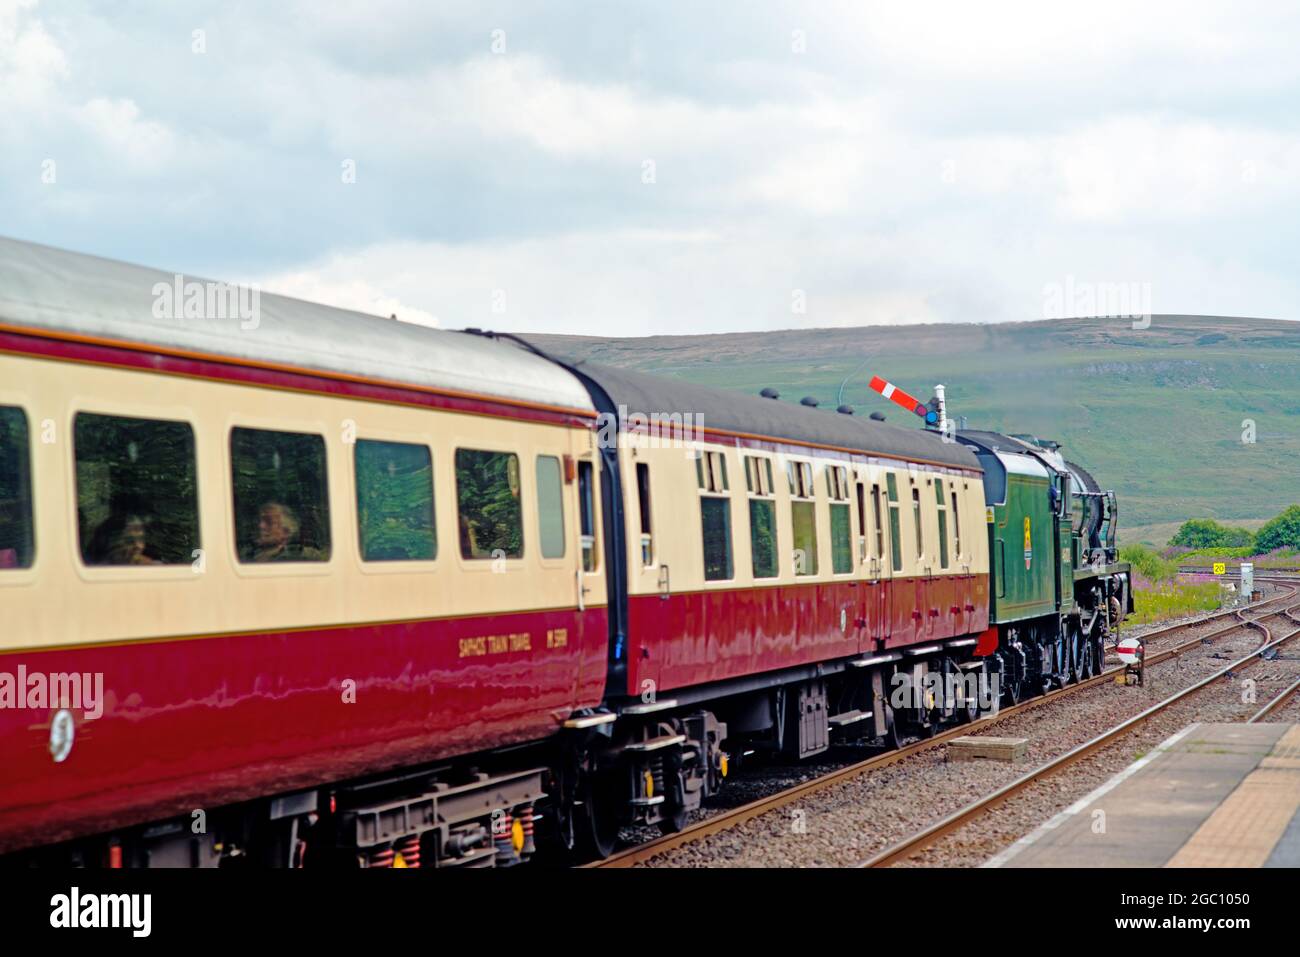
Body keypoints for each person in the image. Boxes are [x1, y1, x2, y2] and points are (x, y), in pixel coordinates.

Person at [246, 501, 324, 562]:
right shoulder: (246, 555)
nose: (260, 526)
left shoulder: (304, 556)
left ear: (286, 532)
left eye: (269, 522)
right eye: (259, 520)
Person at [87, 513, 160, 565]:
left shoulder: (153, 568)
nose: (139, 546)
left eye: (141, 539)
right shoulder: (92, 569)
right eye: (129, 541)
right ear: (110, 542)